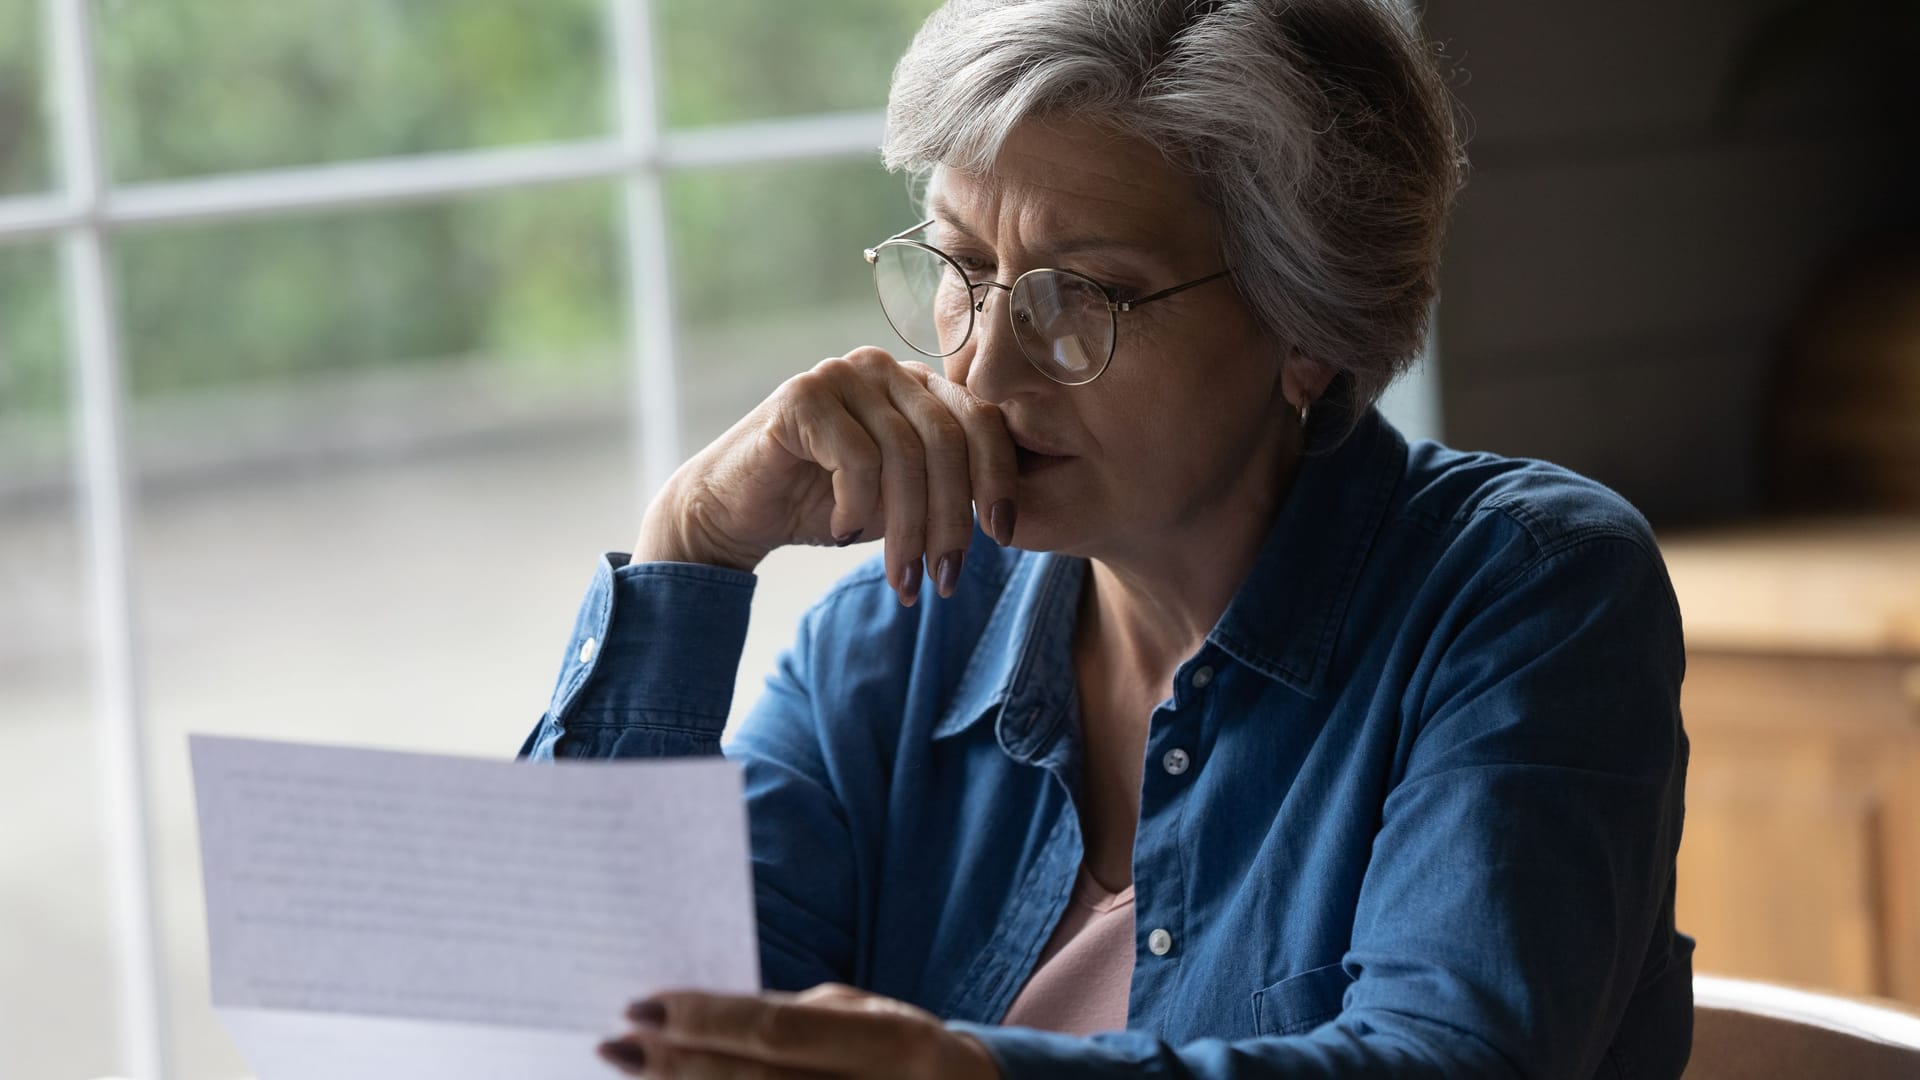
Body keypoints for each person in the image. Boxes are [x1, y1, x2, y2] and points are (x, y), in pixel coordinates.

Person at [521, 1, 1695, 1076]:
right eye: (964, 269)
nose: (981, 365)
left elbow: (1449, 1064)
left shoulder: (1530, 595)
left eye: (1080, 294)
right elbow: (567, 1027)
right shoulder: (891, 641)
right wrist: (693, 544)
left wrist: (972, 1073)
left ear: (1309, 326)